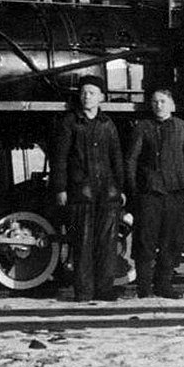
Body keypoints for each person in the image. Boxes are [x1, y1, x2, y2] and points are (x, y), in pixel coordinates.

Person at [51, 75, 126, 302]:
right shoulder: (70, 122)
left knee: (107, 242)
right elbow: (60, 158)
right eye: (84, 92)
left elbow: (117, 158)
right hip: (80, 190)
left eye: (92, 92)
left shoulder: (107, 124)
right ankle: (83, 292)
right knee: (82, 243)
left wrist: (120, 188)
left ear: (101, 97)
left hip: (107, 191)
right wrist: (60, 188)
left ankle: (104, 289)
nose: (87, 96)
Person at [125, 88, 184, 299]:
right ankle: (144, 288)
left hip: (175, 193)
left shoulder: (182, 128)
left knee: (171, 242)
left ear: (172, 105)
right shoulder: (142, 128)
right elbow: (131, 161)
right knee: (146, 241)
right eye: (155, 101)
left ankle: (164, 285)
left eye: (163, 101)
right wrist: (135, 190)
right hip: (150, 194)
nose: (159, 105)